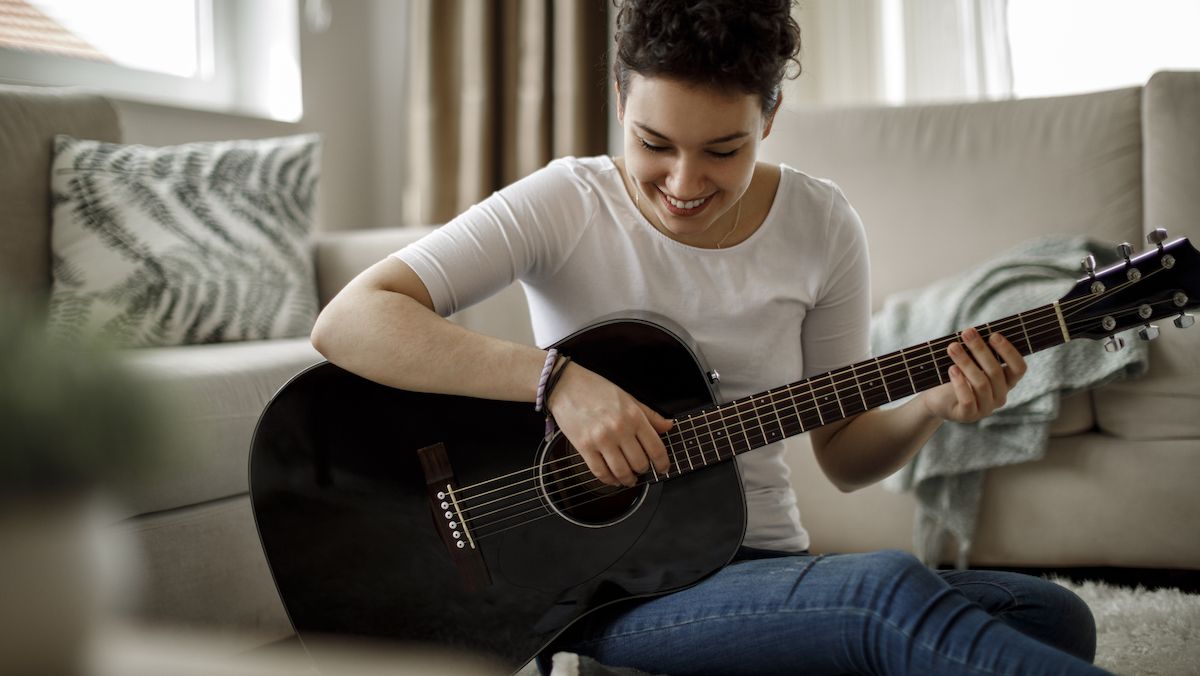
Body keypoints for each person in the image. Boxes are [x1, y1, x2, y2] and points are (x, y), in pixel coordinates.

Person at [312, 1, 1106, 673]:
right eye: (654, 145)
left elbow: (844, 456)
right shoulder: (563, 201)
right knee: (887, 594)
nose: (684, 185)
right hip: (610, 590)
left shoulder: (822, 224)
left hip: (762, 561)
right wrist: (556, 381)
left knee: (1052, 618)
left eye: (723, 151)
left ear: (769, 117)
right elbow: (349, 320)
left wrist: (929, 406)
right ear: (620, 98)